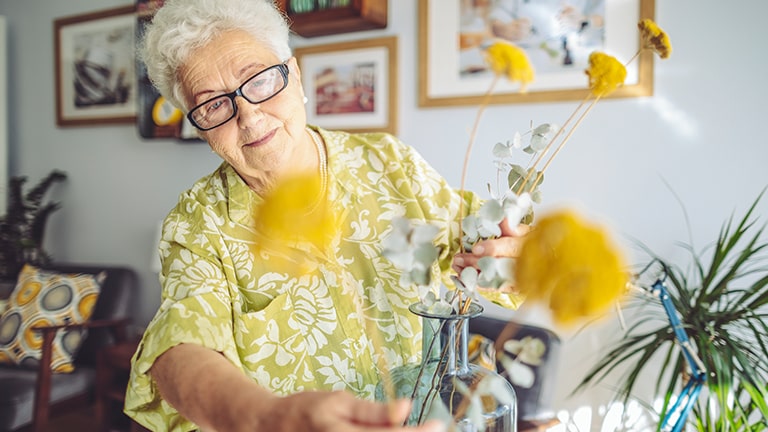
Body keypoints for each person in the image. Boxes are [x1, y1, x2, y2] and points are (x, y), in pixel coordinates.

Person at [124, 0, 529, 431]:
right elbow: (180, 348)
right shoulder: (198, 222)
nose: (249, 115)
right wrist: (265, 417)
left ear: (294, 75)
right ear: (199, 125)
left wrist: (514, 258)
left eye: (258, 81)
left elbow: (490, 243)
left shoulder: (391, 164)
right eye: (213, 105)